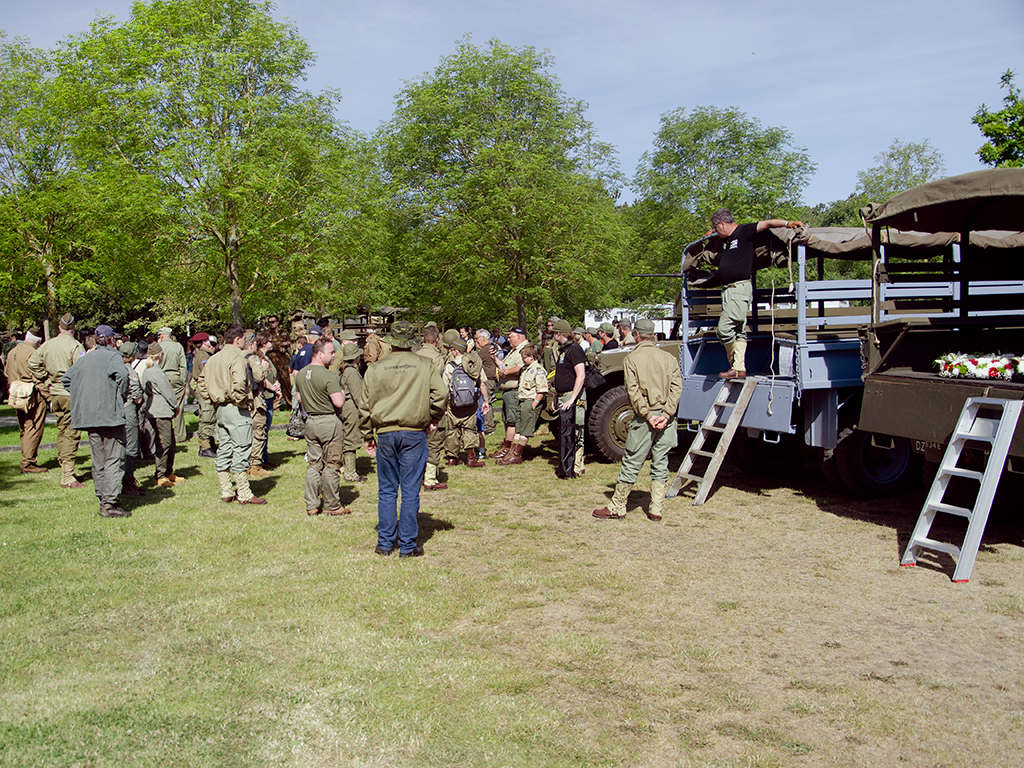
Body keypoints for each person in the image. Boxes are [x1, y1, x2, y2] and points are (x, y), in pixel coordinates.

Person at [358, 320, 446, 558]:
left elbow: (364, 406)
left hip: (385, 433)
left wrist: (367, 434)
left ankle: (385, 543)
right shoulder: (425, 364)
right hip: (414, 432)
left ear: (392, 342)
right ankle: (407, 545)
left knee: (387, 490)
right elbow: (441, 394)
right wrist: (433, 418)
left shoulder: (375, 369)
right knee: (409, 490)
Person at [593, 319, 683, 521]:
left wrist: (650, 416)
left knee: (632, 460)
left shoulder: (631, 358)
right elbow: (677, 389)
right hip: (666, 417)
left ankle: (617, 506)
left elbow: (632, 392)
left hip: (646, 417)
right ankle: (656, 509)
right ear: (653, 335)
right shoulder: (669, 358)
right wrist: (666, 414)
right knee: (662, 461)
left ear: (637, 335)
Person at [707, 209, 802, 379]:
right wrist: (712, 233)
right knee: (739, 330)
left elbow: (768, 223)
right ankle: (740, 368)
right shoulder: (725, 239)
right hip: (728, 290)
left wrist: (788, 223)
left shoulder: (744, 231)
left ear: (722, 223)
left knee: (724, 330)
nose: (716, 230)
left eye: (715, 227)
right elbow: (716, 238)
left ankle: (734, 363)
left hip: (738, 288)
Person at [61, 324, 129, 517]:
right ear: (109, 340)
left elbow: (67, 379)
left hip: (90, 417)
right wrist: (119, 396)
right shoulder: (113, 356)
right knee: (114, 458)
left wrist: (84, 398)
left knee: (98, 460)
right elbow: (123, 376)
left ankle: (102, 498)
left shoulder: (85, 358)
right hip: (110, 416)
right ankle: (109, 503)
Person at [199, 323, 266, 505]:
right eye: (244, 338)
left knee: (225, 448)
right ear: (237, 339)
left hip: (220, 409)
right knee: (242, 448)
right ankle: (244, 493)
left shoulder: (213, 358)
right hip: (236, 409)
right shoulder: (237, 357)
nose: (245, 342)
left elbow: (201, 382)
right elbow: (239, 382)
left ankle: (226, 490)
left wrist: (212, 399)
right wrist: (242, 401)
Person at [27, 313, 85, 487]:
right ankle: (67, 476)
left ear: (59, 327)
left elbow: (32, 363)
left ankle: (66, 469)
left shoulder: (47, 345)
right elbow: (81, 371)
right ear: (73, 328)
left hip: (56, 393)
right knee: (71, 433)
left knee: (62, 430)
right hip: (70, 394)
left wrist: (45, 380)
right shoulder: (76, 346)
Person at [295, 338, 349, 516]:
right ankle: (332, 505)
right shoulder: (328, 375)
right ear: (319, 354)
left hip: (310, 422)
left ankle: (312, 504)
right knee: (332, 464)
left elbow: (299, 398)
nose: (334, 355)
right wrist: (341, 393)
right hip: (329, 423)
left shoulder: (301, 374)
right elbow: (339, 402)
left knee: (314, 464)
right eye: (331, 352)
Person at [4, 327, 47, 473]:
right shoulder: (34, 353)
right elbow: (39, 376)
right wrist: (47, 395)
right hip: (32, 394)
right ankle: (28, 462)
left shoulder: (12, 352)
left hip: (16, 393)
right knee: (33, 427)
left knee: (23, 427)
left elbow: (6, 372)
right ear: (39, 341)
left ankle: (26, 459)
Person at [442, 335, 489, 468]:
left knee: (452, 430)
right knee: (469, 429)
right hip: (471, 404)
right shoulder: (473, 364)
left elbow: (444, 388)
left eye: (452, 349)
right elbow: (483, 384)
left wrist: (445, 407)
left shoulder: (450, 366)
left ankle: (452, 458)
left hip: (454, 405)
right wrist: (485, 400)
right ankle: (471, 458)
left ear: (456, 351)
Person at [498, 343, 547, 465]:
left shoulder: (538, 370)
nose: (522, 360)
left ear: (532, 357)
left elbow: (542, 389)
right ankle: (512, 454)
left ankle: (517, 455)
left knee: (525, 431)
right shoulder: (526, 369)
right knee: (518, 430)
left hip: (530, 402)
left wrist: (534, 403)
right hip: (522, 401)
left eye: (524, 357)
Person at [139, 342, 180, 488]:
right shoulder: (156, 371)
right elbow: (167, 391)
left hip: (154, 410)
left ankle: (168, 472)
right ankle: (160, 475)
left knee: (169, 442)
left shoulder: (147, 370)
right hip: (161, 411)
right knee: (165, 443)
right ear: (160, 355)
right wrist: (175, 405)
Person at [551, 319, 587, 479]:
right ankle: (569, 465)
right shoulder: (563, 350)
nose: (552, 336)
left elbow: (581, 375)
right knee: (566, 433)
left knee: (576, 431)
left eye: (553, 333)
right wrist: (555, 396)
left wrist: (572, 399)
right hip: (562, 396)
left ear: (559, 333)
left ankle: (577, 466)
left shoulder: (575, 350)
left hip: (573, 396)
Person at [416, 325, 448, 491]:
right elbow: (437, 385)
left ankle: (418, 475)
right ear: (437, 340)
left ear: (423, 339)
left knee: (417, 440)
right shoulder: (437, 358)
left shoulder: (414, 356)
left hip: (414, 404)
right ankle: (429, 479)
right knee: (434, 441)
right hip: (431, 402)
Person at [490, 326, 528, 460]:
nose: (508, 339)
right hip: (507, 391)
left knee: (512, 422)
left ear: (519, 336)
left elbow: (520, 368)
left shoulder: (523, 350)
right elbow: (503, 365)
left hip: (514, 391)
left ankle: (509, 449)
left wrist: (505, 372)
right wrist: (495, 359)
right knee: (507, 420)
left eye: (510, 336)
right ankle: (506, 448)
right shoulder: (514, 350)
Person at [336, 343, 367, 484]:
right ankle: (350, 472)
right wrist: (365, 411)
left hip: (345, 407)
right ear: (356, 356)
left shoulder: (342, 370)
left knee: (347, 437)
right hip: (351, 408)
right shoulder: (352, 372)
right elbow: (358, 395)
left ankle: (347, 468)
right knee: (351, 439)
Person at [118, 342, 145, 496]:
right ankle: (128, 482)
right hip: (128, 409)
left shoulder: (114, 368)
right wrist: (138, 398)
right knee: (131, 447)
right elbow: (136, 393)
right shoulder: (129, 371)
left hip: (115, 410)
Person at [156, 327, 189, 442]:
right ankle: (179, 435)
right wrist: (183, 380)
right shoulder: (178, 346)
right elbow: (183, 365)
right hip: (176, 377)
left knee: (164, 407)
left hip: (162, 378)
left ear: (161, 336)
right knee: (178, 407)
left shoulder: (158, 347)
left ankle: (165, 435)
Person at [191, 332, 218, 458]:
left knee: (207, 415)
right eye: (207, 340)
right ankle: (205, 446)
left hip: (203, 389)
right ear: (203, 343)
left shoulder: (204, 354)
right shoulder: (203, 356)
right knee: (207, 416)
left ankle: (208, 443)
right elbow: (206, 373)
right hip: (205, 389)